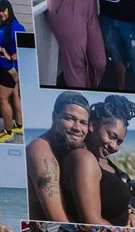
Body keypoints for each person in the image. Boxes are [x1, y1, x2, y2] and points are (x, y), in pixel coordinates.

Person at [64, 95, 135, 229]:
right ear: (93, 125)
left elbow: (109, 198)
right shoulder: (84, 159)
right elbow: (92, 221)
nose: (114, 147)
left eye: (119, 142)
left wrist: (131, 212)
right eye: (111, 136)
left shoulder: (101, 158)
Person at [27, 91, 92, 221]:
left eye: (83, 122)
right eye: (69, 118)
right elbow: (58, 220)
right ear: (54, 117)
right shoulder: (40, 150)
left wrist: (129, 210)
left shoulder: (70, 147)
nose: (77, 127)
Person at [0, 0, 24, 140]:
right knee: (15, 94)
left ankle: (8, 133)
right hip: (12, 69)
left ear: (9, 10)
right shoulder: (10, 25)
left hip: (8, 69)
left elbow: (23, 48)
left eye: (4, 10)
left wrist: (11, 56)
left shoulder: (15, 28)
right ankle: (19, 125)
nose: (1, 13)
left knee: (2, 98)